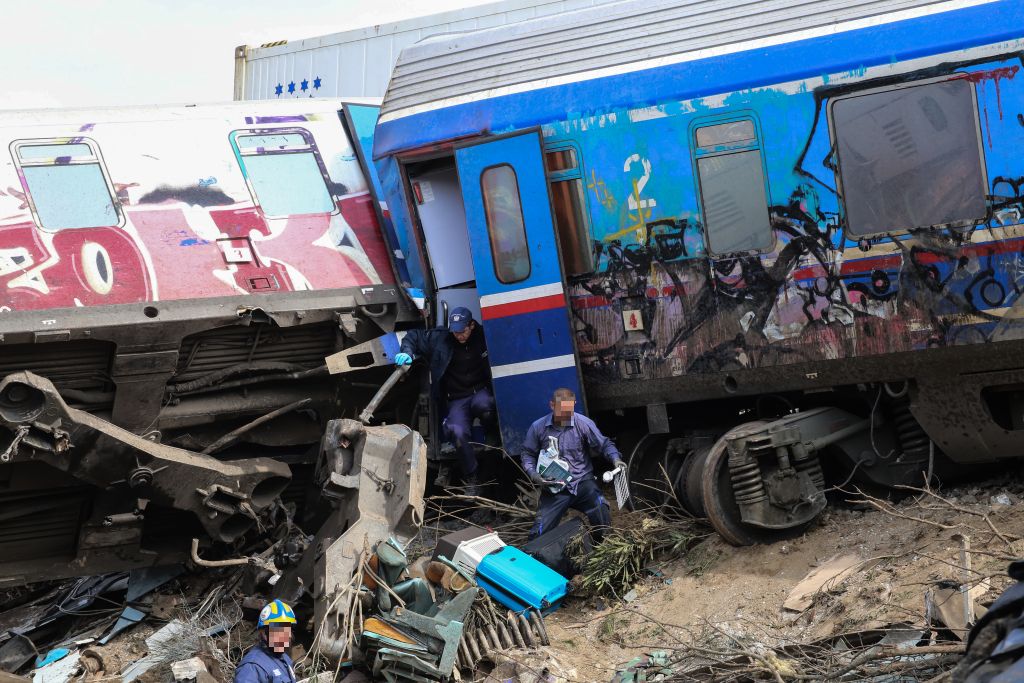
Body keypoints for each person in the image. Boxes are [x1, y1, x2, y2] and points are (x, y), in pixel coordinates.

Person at [395, 307, 494, 493]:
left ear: (471, 325)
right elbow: (414, 337)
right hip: (457, 398)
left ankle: (492, 435)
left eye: (463, 331)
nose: (459, 336)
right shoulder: (441, 338)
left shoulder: (484, 335)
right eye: (455, 332)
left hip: (480, 391)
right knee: (455, 431)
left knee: (486, 405)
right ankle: (472, 475)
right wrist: (407, 352)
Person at [521, 387, 625, 542]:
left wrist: (615, 459)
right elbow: (527, 453)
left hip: (582, 482)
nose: (565, 416)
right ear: (552, 405)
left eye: (568, 412)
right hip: (554, 486)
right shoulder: (538, 427)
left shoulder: (583, 423)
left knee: (601, 512)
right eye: (561, 412)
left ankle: (600, 546)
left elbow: (604, 445)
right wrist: (534, 475)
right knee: (539, 534)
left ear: (574, 404)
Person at [233, 599, 297, 683]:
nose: (288, 636)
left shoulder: (285, 658)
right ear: (264, 633)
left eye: (289, 630)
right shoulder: (252, 667)